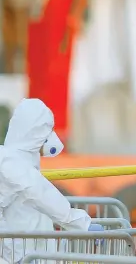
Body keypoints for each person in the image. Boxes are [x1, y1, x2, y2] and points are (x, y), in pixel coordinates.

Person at [0, 98, 102, 264]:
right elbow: (40, 193)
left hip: (26, 254)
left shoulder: (17, 162)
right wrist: (82, 224)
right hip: (21, 256)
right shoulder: (12, 163)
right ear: (36, 134)